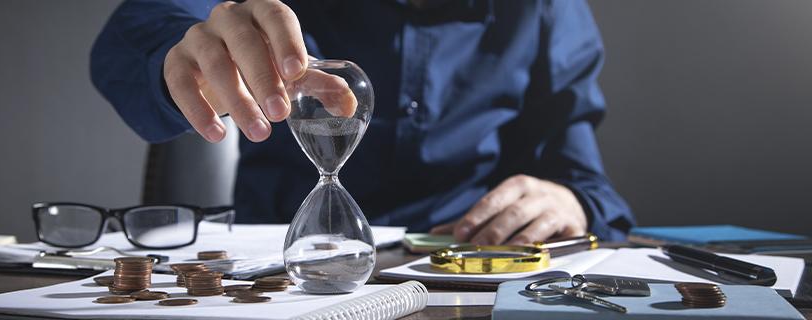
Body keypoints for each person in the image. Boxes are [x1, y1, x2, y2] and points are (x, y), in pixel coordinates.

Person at [90, 0, 635, 244]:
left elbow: (584, 180)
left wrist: (572, 202)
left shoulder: (544, 11)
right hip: (281, 271)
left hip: (455, 275)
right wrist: (182, 52)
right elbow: (140, 26)